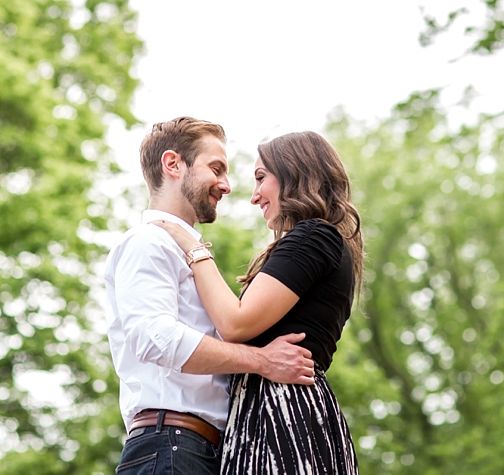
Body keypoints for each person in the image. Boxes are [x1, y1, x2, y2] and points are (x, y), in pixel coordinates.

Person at [104, 117, 316, 475]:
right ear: (173, 164)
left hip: (198, 451)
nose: (227, 185)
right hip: (170, 447)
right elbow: (155, 338)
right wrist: (262, 361)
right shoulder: (148, 242)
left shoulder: (185, 251)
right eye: (216, 168)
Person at [152, 130, 363, 474]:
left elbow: (235, 323)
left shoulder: (314, 236)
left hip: (284, 416)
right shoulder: (317, 241)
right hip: (268, 412)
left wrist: (192, 245)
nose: (254, 196)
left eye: (261, 178)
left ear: (295, 174)